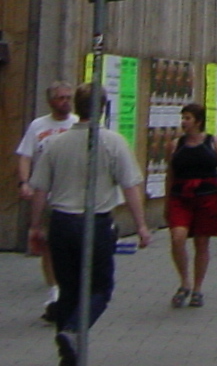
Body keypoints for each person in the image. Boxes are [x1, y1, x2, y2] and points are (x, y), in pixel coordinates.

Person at [27, 85, 150, 366]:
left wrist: (35, 227)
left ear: (76, 107)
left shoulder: (57, 143)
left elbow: (39, 190)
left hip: (61, 223)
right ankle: (72, 330)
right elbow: (130, 186)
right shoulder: (113, 142)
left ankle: (67, 355)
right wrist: (141, 225)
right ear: (104, 108)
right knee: (101, 288)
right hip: (95, 224)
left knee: (68, 291)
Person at [15, 81, 78, 322]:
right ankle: (54, 291)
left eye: (69, 97)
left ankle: (69, 287)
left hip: (72, 194)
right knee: (48, 244)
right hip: (45, 194)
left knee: (71, 246)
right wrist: (24, 182)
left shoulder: (76, 124)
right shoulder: (38, 126)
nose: (66, 101)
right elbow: (25, 156)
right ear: (51, 101)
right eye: (61, 97)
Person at [166, 103, 217, 306]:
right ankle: (184, 281)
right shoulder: (175, 145)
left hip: (207, 195)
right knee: (178, 237)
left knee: (201, 242)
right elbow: (170, 174)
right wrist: (167, 201)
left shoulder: (214, 142)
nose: (183, 122)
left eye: (187, 118)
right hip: (181, 195)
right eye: (183, 118)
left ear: (198, 121)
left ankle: (197, 288)